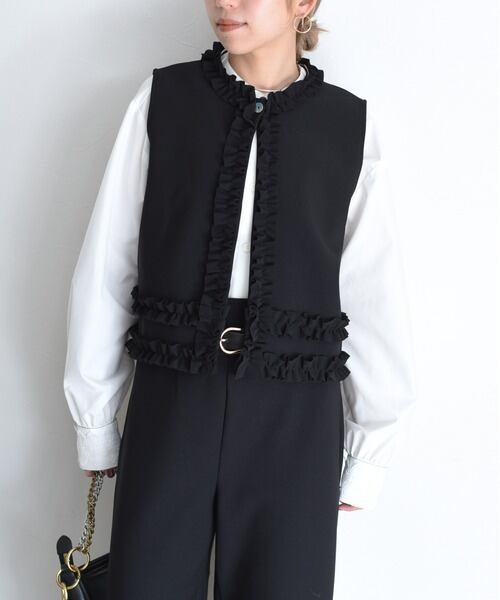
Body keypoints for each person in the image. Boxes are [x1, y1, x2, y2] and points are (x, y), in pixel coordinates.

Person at [63, 0, 417, 597]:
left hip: (295, 413)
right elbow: (109, 261)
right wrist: (94, 416)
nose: (225, 3)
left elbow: (373, 291)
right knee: (146, 583)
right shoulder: (163, 100)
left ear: (303, 3)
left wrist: (369, 451)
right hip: (173, 393)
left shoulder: (349, 124)